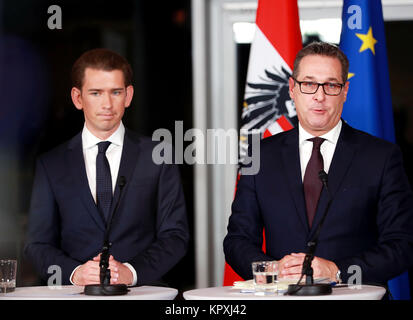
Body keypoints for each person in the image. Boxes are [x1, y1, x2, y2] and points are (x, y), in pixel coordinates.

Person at [223, 42, 413, 286]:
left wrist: (338, 270)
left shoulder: (382, 157)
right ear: (292, 89)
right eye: (309, 84)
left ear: (345, 91)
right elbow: (237, 240)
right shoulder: (259, 154)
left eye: (331, 85)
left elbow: (402, 244)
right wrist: (274, 270)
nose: (319, 96)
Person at [24, 48, 189, 286]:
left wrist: (132, 272)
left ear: (128, 95)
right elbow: (37, 244)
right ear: (77, 98)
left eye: (116, 92)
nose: (107, 104)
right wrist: (74, 273)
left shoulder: (159, 156)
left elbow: (176, 236)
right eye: (96, 93)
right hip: (75, 296)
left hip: (142, 295)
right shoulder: (51, 165)